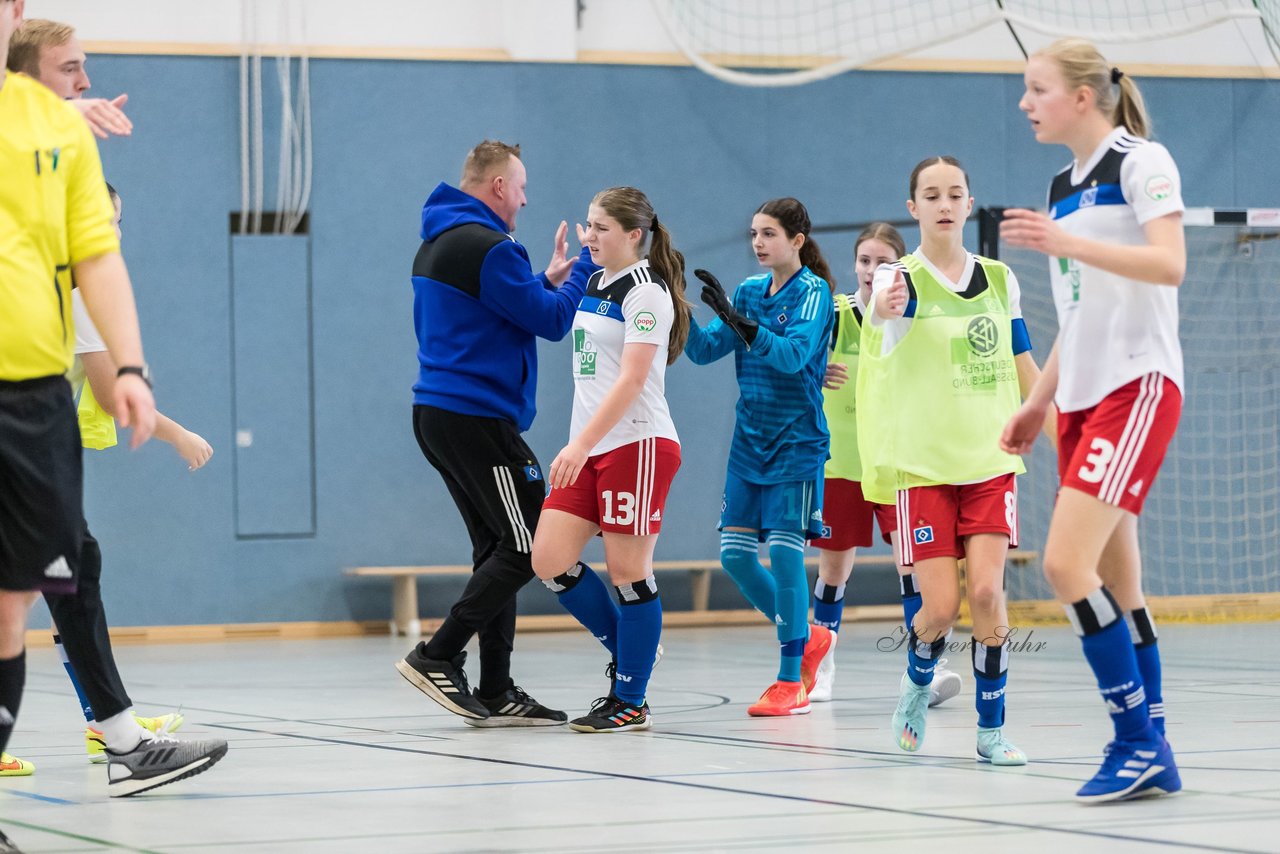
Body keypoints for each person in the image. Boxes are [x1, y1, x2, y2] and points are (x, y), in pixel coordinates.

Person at [0, 0, 225, 823]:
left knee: (36, 587)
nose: (87, 83)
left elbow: (97, 263)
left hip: (28, 403)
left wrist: (131, 372)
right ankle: (122, 737)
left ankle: (121, 738)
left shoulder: (62, 141)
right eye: (70, 69)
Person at [1000, 38, 1185, 802]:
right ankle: (1159, 751)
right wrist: (1039, 399)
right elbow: (1077, 313)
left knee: (1063, 567)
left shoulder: (1144, 161)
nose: (1025, 102)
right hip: (1079, 396)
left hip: (1137, 387)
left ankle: (1135, 741)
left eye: (1036, 89)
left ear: (1082, 96)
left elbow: (1169, 263)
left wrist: (1068, 241)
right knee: (1120, 584)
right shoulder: (1061, 183)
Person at [857, 156, 1047, 767]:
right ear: (914, 208)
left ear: (969, 203)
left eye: (955, 193)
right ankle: (916, 687)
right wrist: (885, 306)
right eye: (931, 194)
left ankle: (991, 731)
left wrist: (1051, 415)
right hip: (925, 467)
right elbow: (878, 320)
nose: (944, 202)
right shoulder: (899, 280)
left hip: (989, 460)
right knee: (939, 609)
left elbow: (1021, 357)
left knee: (989, 593)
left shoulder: (998, 278)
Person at [396, 140, 586, 727]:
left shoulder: (445, 240)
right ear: (498, 186)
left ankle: (497, 688)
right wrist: (583, 268)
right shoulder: (491, 246)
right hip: (474, 417)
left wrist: (539, 282)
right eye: (521, 187)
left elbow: (501, 307)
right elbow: (553, 321)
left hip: (441, 416)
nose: (525, 199)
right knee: (532, 542)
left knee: (498, 548)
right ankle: (438, 653)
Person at [531, 187, 689, 733]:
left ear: (633, 235)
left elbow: (633, 379)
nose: (588, 236)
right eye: (587, 225)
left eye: (600, 228)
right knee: (549, 558)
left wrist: (577, 444)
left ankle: (631, 697)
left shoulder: (648, 292)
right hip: (592, 445)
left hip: (637, 444)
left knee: (629, 574)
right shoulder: (596, 281)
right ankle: (632, 649)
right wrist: (550, 279)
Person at [685, 197, 835, 717]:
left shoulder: (816, 294)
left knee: (788, 554)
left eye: (769, 233)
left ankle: (791, 677)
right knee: (734, 556)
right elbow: (705, 350)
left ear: (796, 240)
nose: (758, 242)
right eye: (754, 233)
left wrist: (743, 325)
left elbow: (794, 356)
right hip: (749, 442)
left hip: (797, 441)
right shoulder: (748, 292)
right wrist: (671, 306)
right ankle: (810, 636)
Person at [808, 223, 961, 707]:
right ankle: (822, 668)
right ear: (854, 264)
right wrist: (812, 373)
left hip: (898, 463)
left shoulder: (914, 319)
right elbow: (785, 360)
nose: (873, 271)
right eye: (864, 261)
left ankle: (924, 672)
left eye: (883, 262)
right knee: (834, 571)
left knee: (913, 568)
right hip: (843, 464)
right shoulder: (831, 313)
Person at [7, 17, 132, 138]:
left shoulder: (75, 141)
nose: (85, 84)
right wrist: (59, 113)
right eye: (69, 70)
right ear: (23, 83)